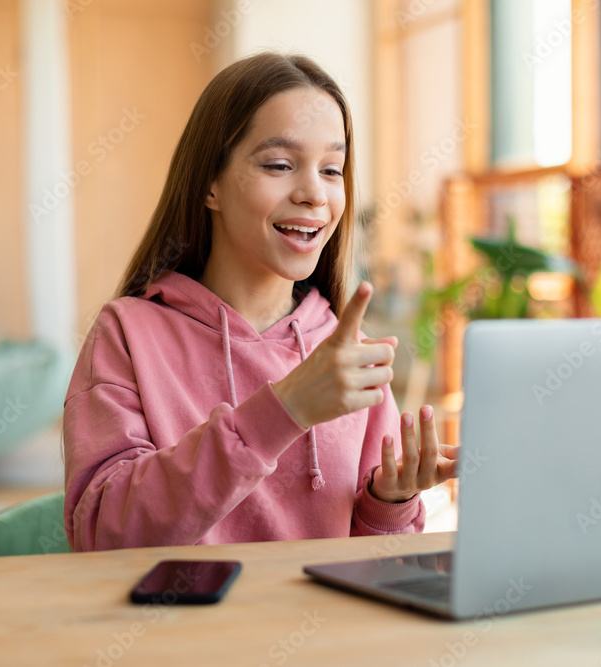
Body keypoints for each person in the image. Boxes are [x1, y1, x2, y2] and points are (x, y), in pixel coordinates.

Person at [63, 51, 458, 552]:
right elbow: (102, 533)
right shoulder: (126, 335)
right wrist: (284, 409)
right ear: (210, 184)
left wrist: (390, 500)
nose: (315, 193)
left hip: (318, 629)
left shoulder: (344, 354)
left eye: (332, 169)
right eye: (279, 164)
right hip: (175, 629)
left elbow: (369, 567)